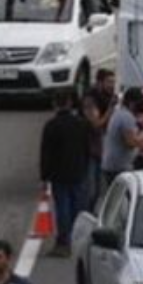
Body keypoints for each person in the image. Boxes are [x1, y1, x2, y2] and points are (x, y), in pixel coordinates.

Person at [40, 91, 90, 257]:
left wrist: (45, 176)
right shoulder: (81, 123)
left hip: (59, 173)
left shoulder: (51, 125)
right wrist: (85, 166)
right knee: (78, 207)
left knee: (63, 208)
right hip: (78, 171)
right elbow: (87, 148)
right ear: (70, 103)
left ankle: (63, 242)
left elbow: (46, 153)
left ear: (55, 104)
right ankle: (78, 240)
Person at [102, 87, 143, 198]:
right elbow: (130, 143)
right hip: (118, 168)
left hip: (114, 165)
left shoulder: (120, 113)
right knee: (122, 199)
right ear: (132, 103)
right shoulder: (126, 117)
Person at [82, 70, 117, 210]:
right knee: (92, 191)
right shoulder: (90, 100)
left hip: (103, 149)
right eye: (109, 82)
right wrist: (111, 109)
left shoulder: (109, 97)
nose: (112, 85)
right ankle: (85, 214)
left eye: (113, 82)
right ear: (99, 82)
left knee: (100, 190)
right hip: (90, 149)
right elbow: (96, 124)